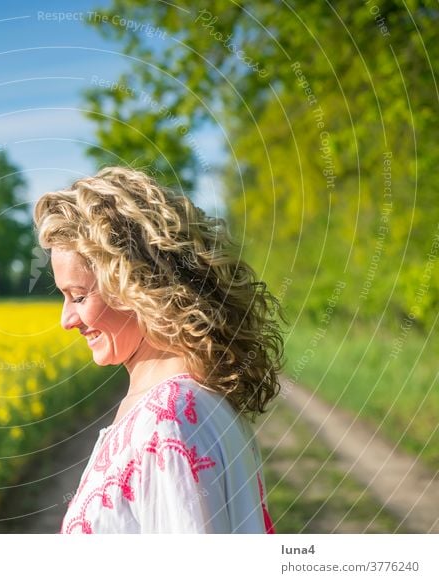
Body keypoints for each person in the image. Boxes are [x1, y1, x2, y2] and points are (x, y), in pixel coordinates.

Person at [33, 166, 285, 534]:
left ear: (137, 283)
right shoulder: (190, 400)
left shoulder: (167, 421)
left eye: (79, 296)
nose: (67, 319)